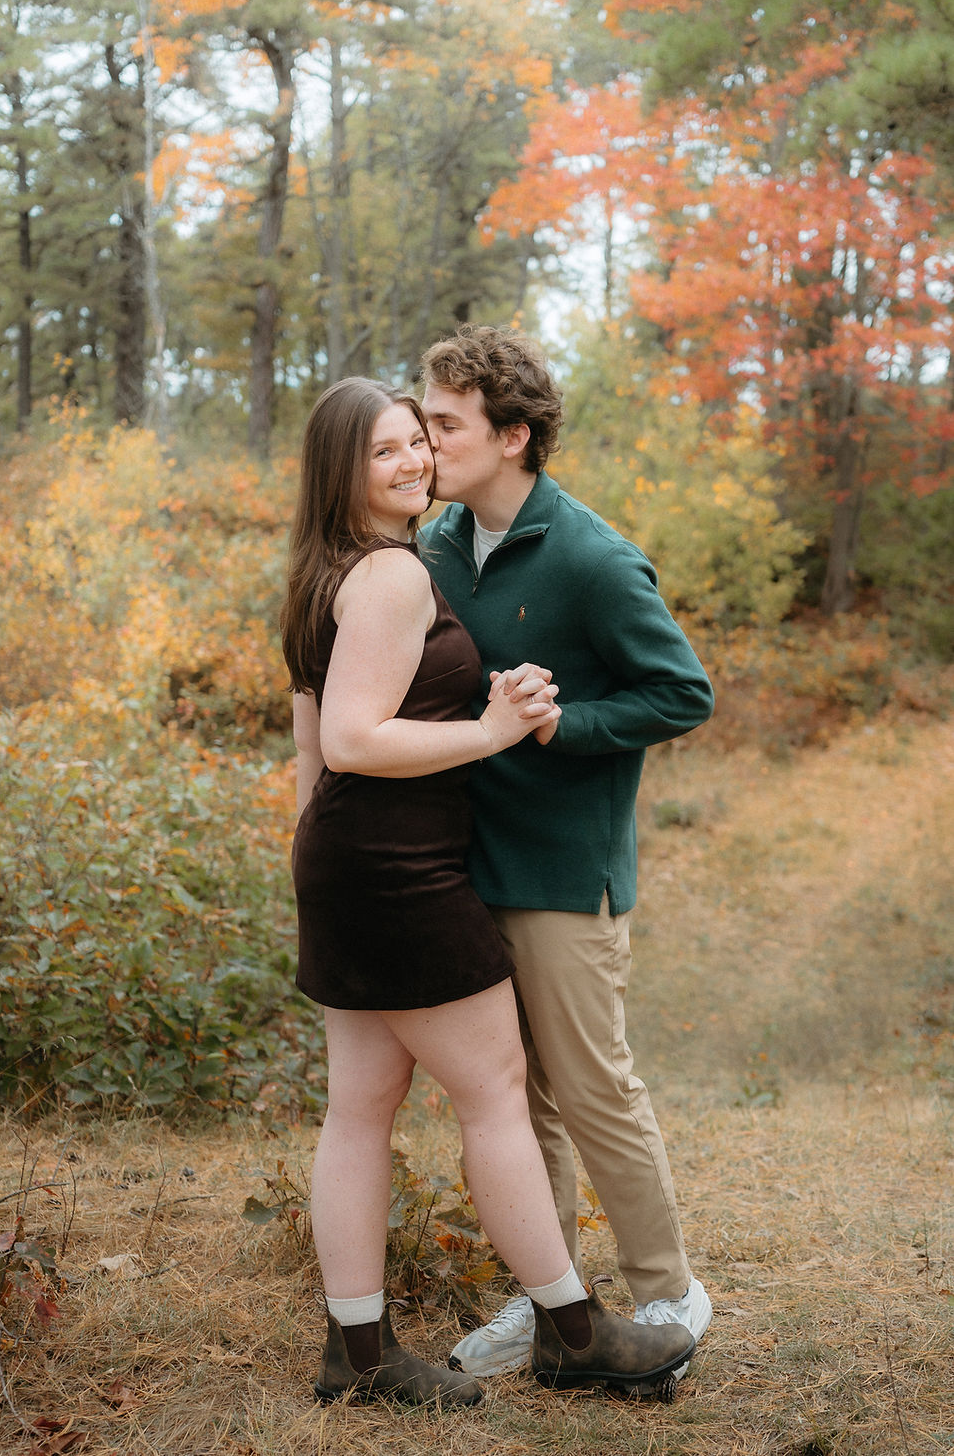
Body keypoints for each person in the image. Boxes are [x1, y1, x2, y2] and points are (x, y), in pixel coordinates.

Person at [282, 376, 695, 1408]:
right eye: (386, 450)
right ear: (340, 470)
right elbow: (350, 738)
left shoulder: (322, 572)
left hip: (345, 859)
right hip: (402, 870)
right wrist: (493, 729)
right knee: (497, 1096)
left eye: (418, 440)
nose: (414, 461)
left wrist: (316, 857)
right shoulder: (393, 571)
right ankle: (572, 1329)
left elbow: (311, 738)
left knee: (358, 1111)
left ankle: (358, 1354)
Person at [416, 326, 716, 1380]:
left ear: (512, 435)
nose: (426, 442)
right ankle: (551, 1300)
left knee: (590, 1090)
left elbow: (681, 692)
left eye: (444, 424)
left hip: (562, 875)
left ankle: (668, 1295)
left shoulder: (591, 557)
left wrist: (565, 725)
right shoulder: (435, 547)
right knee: (510, 1098)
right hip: (464, 866)